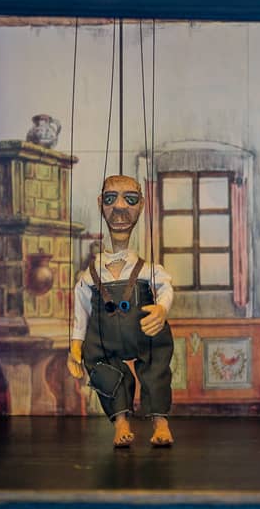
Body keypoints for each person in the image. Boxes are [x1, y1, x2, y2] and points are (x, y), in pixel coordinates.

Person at [66, 175, 175, 448]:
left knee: (156, 368)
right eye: (111, 198)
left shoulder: (148, 269)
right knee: (101, 368)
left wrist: (161, 309)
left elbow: (165, 287)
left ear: (141, 204)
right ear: (100, 203)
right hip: (105, 339)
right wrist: (76, 345)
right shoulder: (91, 274)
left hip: (143, 333)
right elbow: (81, 309)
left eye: (131, 199)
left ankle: (160, 421)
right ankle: (120, 421)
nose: (120, 207)